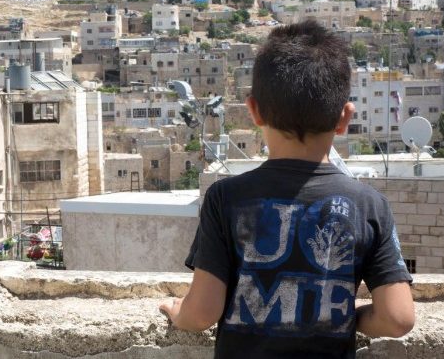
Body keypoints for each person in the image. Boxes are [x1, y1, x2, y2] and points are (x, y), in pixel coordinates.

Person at [159, 20, 415, 358]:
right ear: (344, 118)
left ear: (254, 111)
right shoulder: (369, 205)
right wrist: (340, 316)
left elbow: (202, 313)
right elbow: (397, 319)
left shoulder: (226, 198)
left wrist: (177, 311)